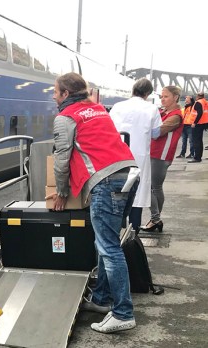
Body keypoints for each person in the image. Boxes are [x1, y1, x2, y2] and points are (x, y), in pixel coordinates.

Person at [48, 72, 137, 333]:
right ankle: (101, 299)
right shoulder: (97, 109)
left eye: (55, 91)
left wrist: (62, 192)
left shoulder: (66, 117)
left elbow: (62, 158)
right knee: (105, 243)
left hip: (107, 181)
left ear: (65, 93)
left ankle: (123, 313)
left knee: (109, 248)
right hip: (128, 172)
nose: (53, 96)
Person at [110, 78, 162, 232]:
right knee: (138, 194)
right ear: (147, 93)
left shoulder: (118, 106)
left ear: (133, 90)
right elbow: (156, 133)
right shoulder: (151, 108)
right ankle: (134, 231)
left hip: (118, 154)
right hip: (139, 156)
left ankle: (117, 228)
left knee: (118, 191)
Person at [141, 86, 184, 232]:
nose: (162, 99)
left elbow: (156, 133)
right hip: (154, 153)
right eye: (161, 96)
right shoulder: (163, 112)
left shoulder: (176, 116)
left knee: (150, 187)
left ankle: (155, 219)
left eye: (166, 96)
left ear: (175, 97)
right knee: (156, 187)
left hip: (161, 155)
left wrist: (141, 126)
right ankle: (156, 220)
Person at [188, 92, 208, 163]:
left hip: (197, 124)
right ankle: (199, 156)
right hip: (203, 123)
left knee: (196, 141)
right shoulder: (205, 102)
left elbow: (200, 113)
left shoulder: (198, 103)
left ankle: (197, 158)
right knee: (199, 141)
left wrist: (194, 123)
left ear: (197, 96)